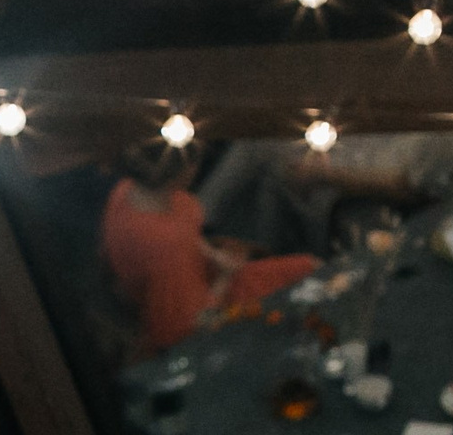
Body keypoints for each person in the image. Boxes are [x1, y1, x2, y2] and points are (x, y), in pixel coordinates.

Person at [102, 139, 320, 358]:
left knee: (309, 266)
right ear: (184, 171)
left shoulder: (126, 191)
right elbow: (184, 328)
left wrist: (212, 254)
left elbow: (182, 237)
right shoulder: (167, 246)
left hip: (196, 279)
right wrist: (225, 276)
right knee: (311, 275)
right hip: (203, 311)